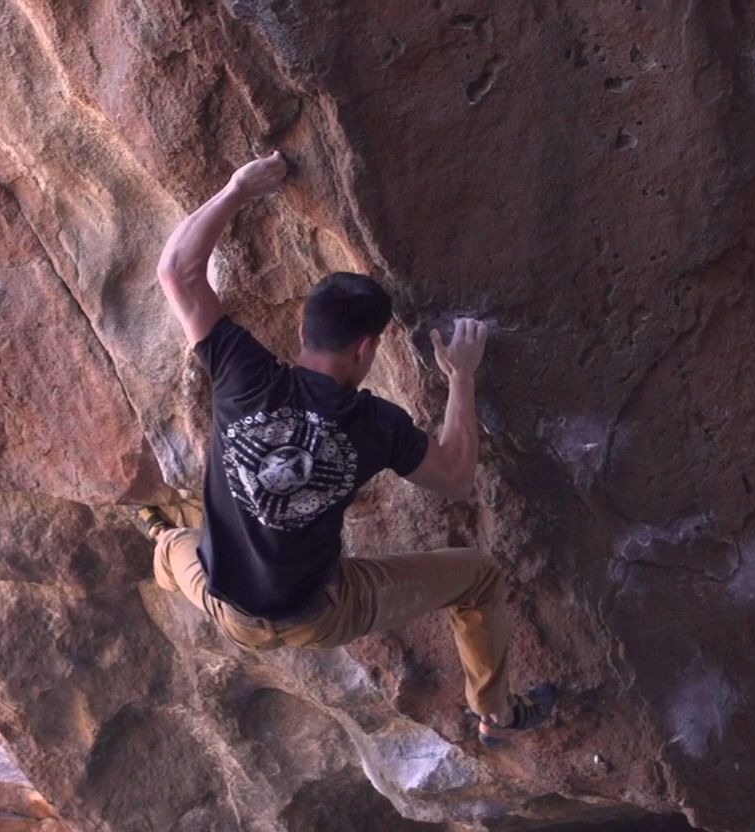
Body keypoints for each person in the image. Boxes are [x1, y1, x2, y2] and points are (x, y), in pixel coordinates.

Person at [147, 150, 554, 744]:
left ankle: (158, 543)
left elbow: (176, 271)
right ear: (366, 350)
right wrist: (461, 377)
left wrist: (238, 188)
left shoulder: (244, 373)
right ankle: (496, 714)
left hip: (224, 604)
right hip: (321, 615)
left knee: (171, 543)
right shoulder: (374, 425)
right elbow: (457, 478)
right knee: (481, 579)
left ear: (303, 332)